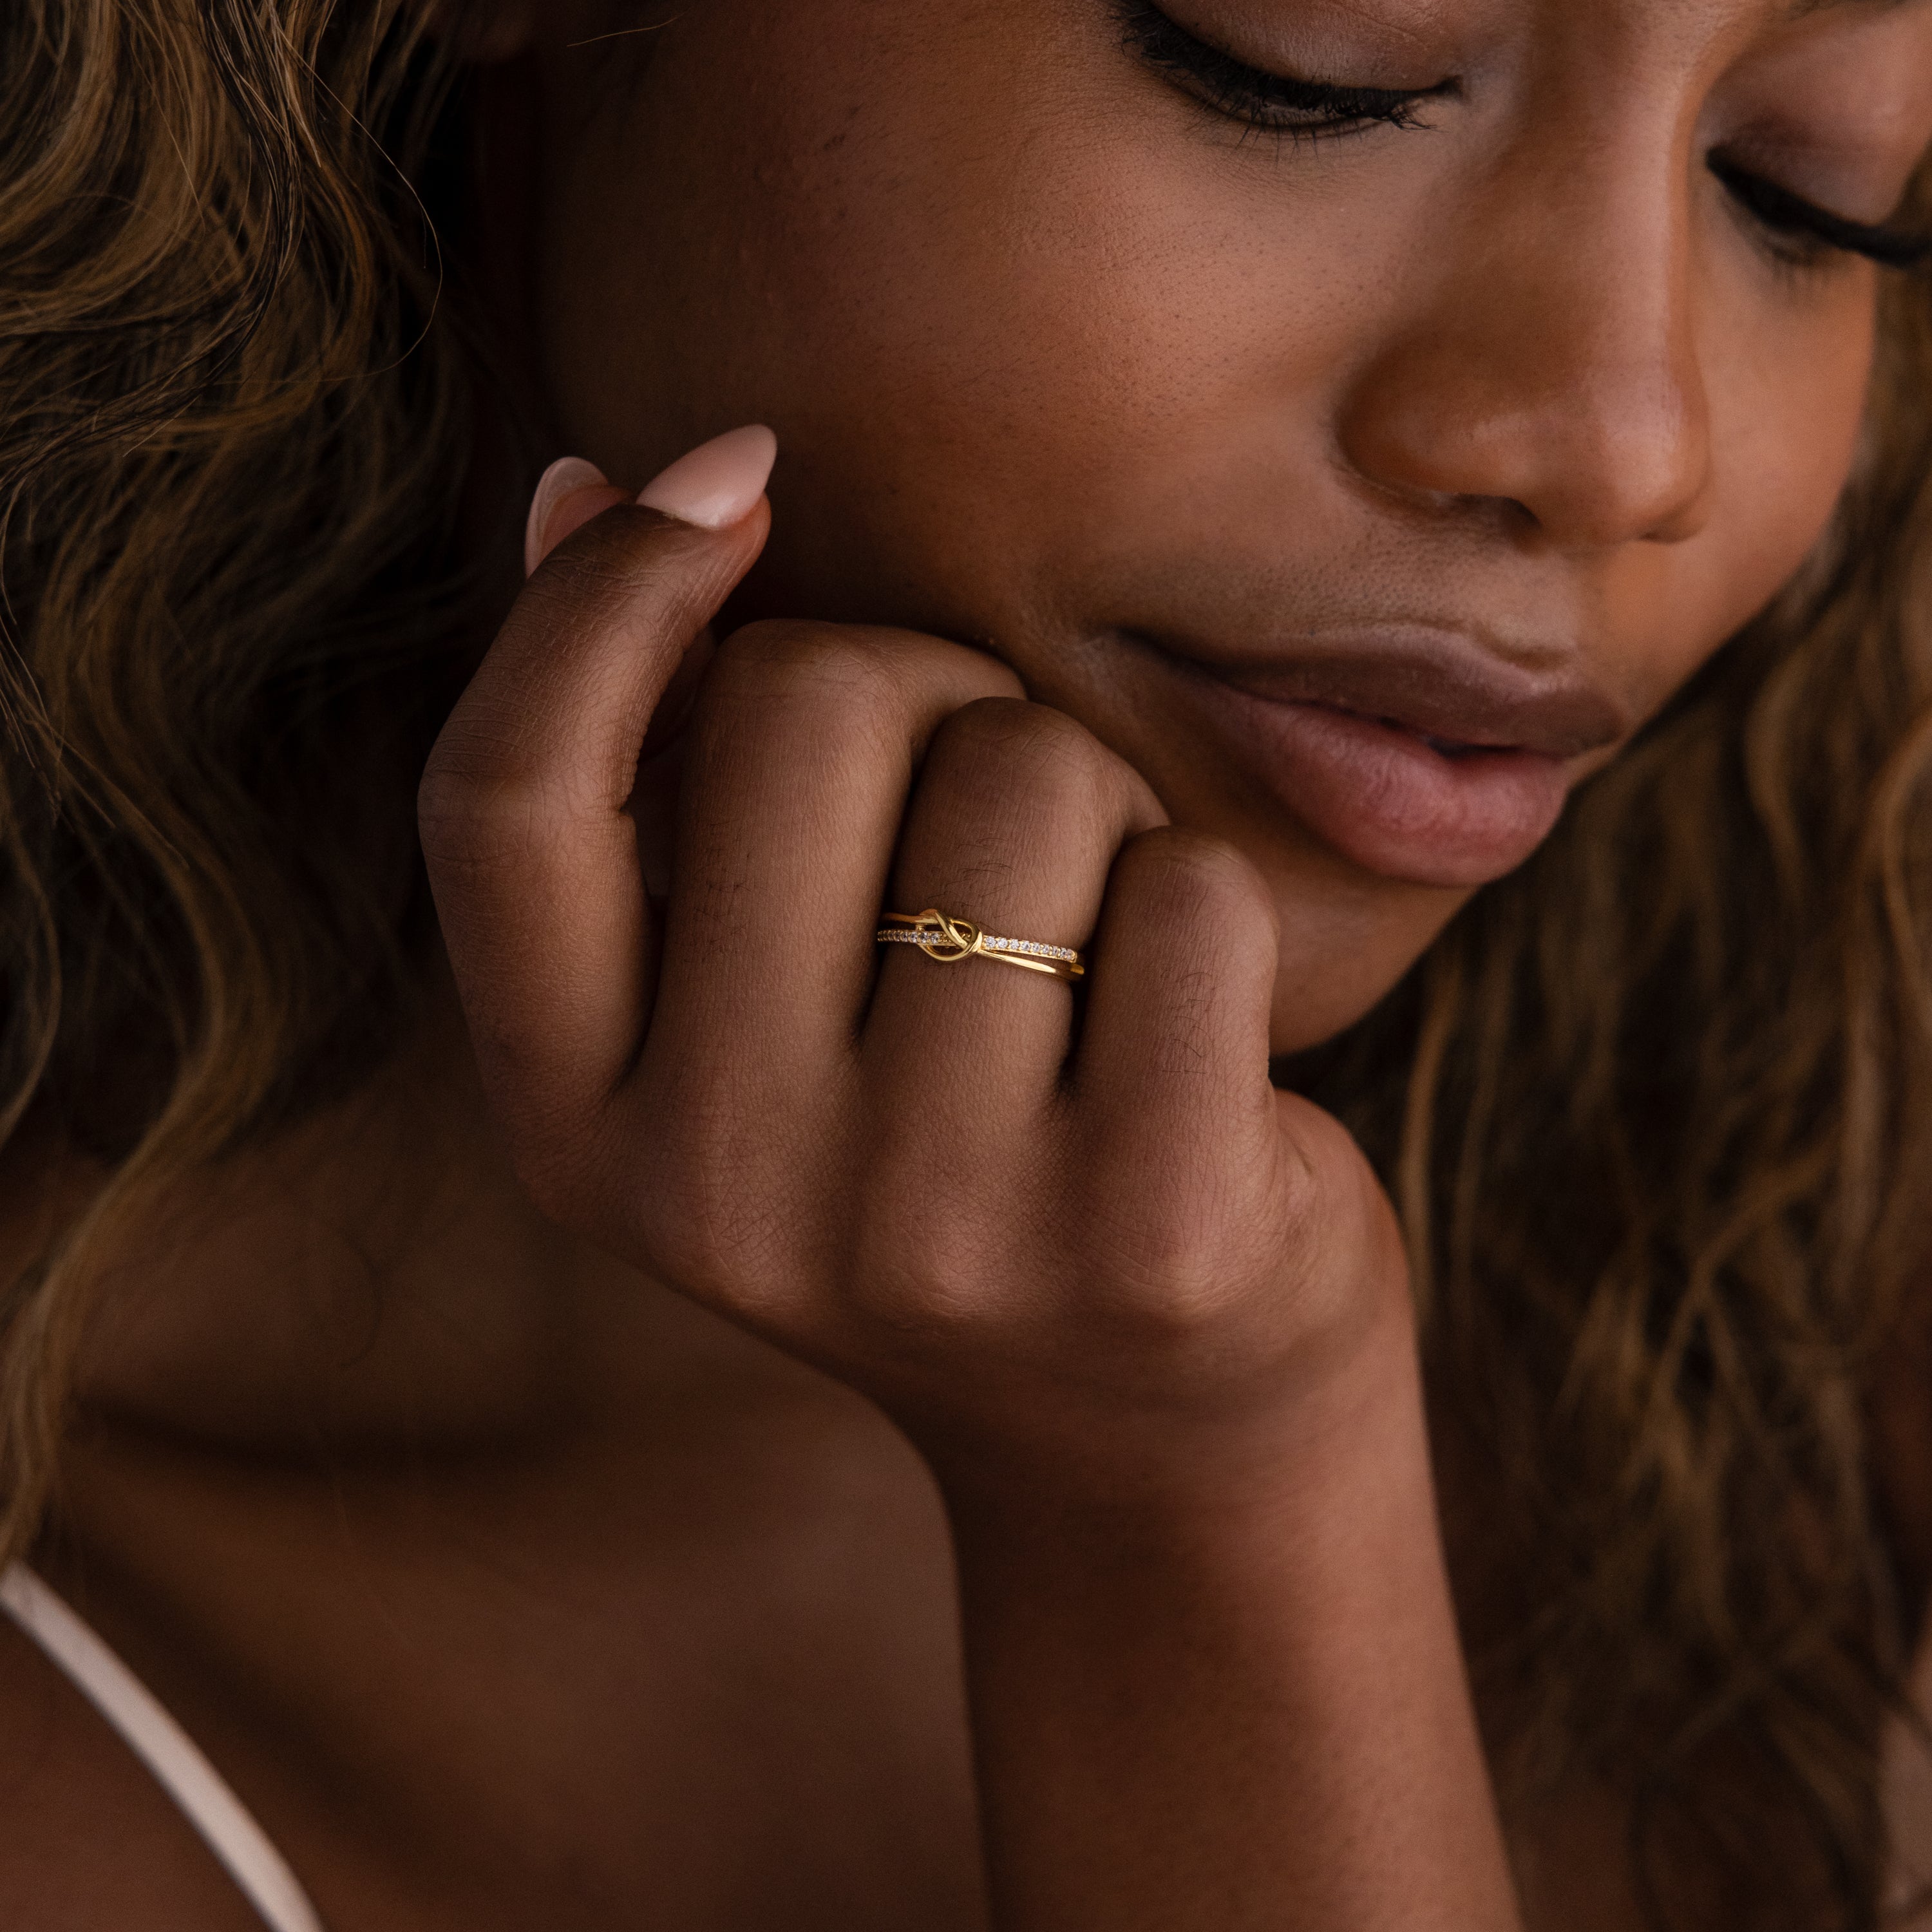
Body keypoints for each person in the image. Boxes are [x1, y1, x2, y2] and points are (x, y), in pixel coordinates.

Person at [2, 0, 1931, 1925]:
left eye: (1807, 191)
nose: (1624, 443)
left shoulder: (1840, 1378)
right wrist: (1189, 1533)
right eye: (1313, 63)